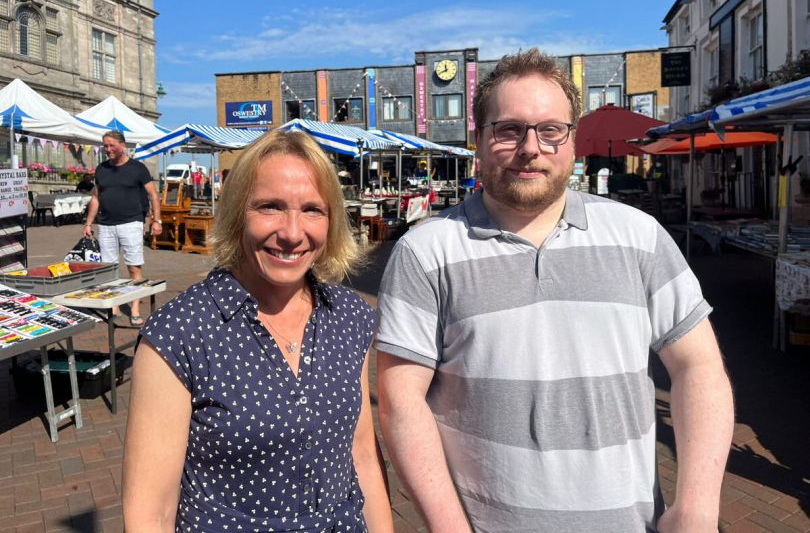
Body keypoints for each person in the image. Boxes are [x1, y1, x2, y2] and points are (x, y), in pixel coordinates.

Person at [375, 48, 734, 532]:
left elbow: (698, 366)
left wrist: (696, 506)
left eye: (550, 129)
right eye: (508, 129)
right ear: (478, 139)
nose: (530, 147)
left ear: (571, 140)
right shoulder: (426, 252)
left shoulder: (640, 236)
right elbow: (400, 402)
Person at [122, 130, 394, 533]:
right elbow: (151, 512)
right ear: (236, 214)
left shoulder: (350, 316)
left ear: (332, 220)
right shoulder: (181, 331)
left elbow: (362, 455)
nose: (291, 232)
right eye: (269, 207)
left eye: (312, 210)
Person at [83, 131, 161, 326]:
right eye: (105, 146)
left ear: (123, 145)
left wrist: (157, 220)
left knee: (134, 267)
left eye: (111, 146)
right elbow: (96, 197)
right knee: (108, 268)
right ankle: (114, 306)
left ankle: (134, 307)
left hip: (131, 223)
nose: (108, 149)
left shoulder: (138, 168)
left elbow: (153, 194)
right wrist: (88, 222)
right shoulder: (101, 169)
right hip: (106, 224)